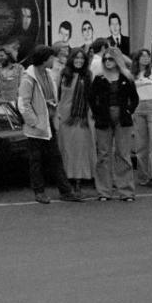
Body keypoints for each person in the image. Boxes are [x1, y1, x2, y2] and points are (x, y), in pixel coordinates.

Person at [17, 46, 83, 204]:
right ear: (44, 59)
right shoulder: (28, 78)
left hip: (49, 123)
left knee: (55, 158)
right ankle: (39, 191)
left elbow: (52, 97)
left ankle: (65, 191)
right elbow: (23, 103)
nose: (55, 60)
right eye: (52, 58)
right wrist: (34, 122)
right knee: (36, 160)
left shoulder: (47, 74)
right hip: (37, 127)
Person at [89, 47, 138, 201]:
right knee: (103, 154)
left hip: (122, 117)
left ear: (117, 60)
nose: (108, 62)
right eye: (105, 59)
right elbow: (91, 98)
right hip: (103, 117)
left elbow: (134, 99)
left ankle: (126, 191)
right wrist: (97, 113)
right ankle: (104, 191)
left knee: (123, 154)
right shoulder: (98, 78)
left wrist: (129, 111)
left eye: (111, 59)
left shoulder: (126, 78)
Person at [57, 48, 95, 195]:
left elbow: (91, 97)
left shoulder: (88, 75)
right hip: (65, 117)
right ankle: (66, 181)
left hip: (81, 117)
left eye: (82, 58)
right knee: (65, 149)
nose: (79, 61)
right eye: (76, 58)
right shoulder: (64, 74)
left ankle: (78, 182)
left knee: (80, 149)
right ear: (71, 59)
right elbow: (58, 95)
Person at [131, 49, 152, 188]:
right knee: (141, 145)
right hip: (137, 108)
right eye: (142, 56)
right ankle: (143, 176)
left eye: (148, 56)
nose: (146, 58)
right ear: (137, 59)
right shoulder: (132, 74)